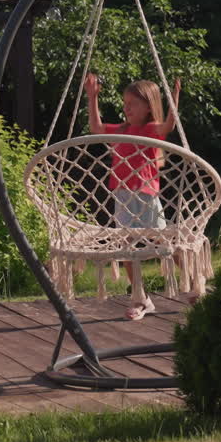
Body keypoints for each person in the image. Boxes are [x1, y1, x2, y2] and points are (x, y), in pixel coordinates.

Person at [83, 72, 181, 320]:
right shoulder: (122, 130)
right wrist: (92, 97)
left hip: (146, 195)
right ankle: (141, 298)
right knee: (126, 247)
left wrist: (174, 98)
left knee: (164, 243)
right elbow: (95, 128)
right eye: (124, 103)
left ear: (148, 106)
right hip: (123, 196)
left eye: (132, 104)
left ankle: (195, 283)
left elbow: (169, 125)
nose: (126, 108)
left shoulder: (149, 129)